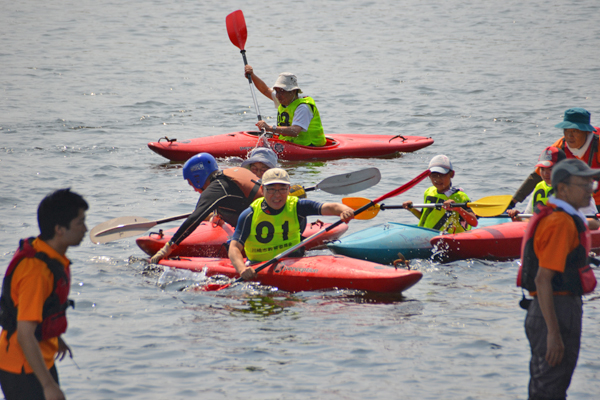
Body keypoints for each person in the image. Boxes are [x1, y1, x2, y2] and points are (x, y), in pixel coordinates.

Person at [518, 158, 599, 399]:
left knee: (547, 387)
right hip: (555, 310)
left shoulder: (562, 216)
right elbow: (543, 279)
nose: (590, 190)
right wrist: (553, 334)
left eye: (592, 185)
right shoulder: (560, 222)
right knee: (550, 389)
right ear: (562, 188)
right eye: (584, 185)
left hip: (549, 310)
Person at [0, 188, 88, 400]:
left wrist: (55, 338)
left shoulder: (49, 254)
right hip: (22, 369)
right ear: (59, 229)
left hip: (38, 361)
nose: (86, 229)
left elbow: (44, 309)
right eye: (80, 222)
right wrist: (48, 385)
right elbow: (24, 334)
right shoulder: (37, 272)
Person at [229, 168, 355, 280]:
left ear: (289, 189)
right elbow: (234, 248)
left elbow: (331, 207)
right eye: (271, 189)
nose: (277, 195)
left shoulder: (297, 206)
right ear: (262, 189)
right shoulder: (249, 215)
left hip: (294, 263)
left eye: (282, 189)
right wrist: (242, 269)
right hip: (259, 265)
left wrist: (344, 211)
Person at [150, 153, 263, 264]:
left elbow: (194, 219)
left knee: (211, 211)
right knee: (216, 209)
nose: (194, 189)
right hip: (274, 211)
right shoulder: (229, 177)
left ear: (197, 179)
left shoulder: (216, 188)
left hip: (264, 223)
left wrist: (168, 248)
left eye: (191, 184)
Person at [511, 108, 600, 211]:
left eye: (575, 131)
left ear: (586, 132)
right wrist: (513, 202)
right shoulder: (560, 146)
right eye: (566, 130)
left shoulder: (598, 144)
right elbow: (537, 176)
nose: (570, 136)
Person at [508, 146, 600, 228]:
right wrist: (518, 218)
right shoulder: (539, 187)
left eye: (550, 169)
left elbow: (595, 222)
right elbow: (529, 220)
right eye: (542, 169)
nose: (545, 173)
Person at [244, 65, 327, 147]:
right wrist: (252, 75)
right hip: (291, 144)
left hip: (310, 146)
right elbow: (265, 90)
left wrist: (270, 128)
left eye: (282, 91)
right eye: (277, 91)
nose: (278, 95)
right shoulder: (284, 99)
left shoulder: (303, 107)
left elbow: (295, 131)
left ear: (293, 91)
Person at [402, 154, 477, 233]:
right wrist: (411, 208)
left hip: (450, 238)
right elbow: (425, 218)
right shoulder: (429, 192)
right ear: (429, 176)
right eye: (434, 175)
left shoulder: (460, 196)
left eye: (442, 175)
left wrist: (458, 208)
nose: (437, 179)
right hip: (426, 235)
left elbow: (474, 222)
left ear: (452, 174)